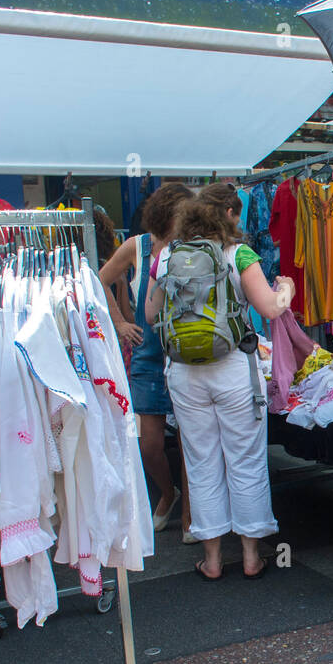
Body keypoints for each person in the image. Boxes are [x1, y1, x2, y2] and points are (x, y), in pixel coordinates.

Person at [144, 184, 294, 580]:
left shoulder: (164, 258)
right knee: (244, 460)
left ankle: (211, 560)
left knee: (201, 462)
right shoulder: (239, 254)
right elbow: (269, 308)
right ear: (224, 218)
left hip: (184, 375)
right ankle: (250, 557)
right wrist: (286, 290)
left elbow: (149, 313)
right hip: (233, 369)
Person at [99, 184, 195, 539]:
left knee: (189, 442)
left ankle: (189, 518)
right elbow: (99, 280)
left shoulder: (192, 245)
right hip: (149, 354)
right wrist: (121, 322)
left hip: (186, 353)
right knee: (149, 442)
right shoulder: (137, 246)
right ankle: (168, 494)